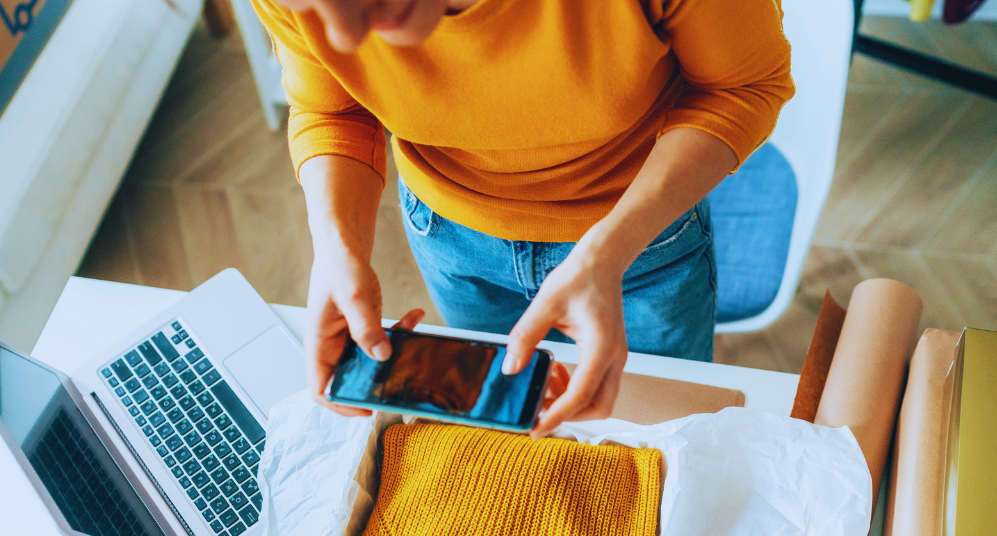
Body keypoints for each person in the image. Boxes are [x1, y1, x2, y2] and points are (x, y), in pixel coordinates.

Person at [251, 0, 794, 436]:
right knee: (508, 419)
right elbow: (333, 109)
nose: (343, 38)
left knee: (661, 434)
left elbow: (742, 87)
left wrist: (609, 249)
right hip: (448, 238)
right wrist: (336, 245)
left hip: (642, 244)